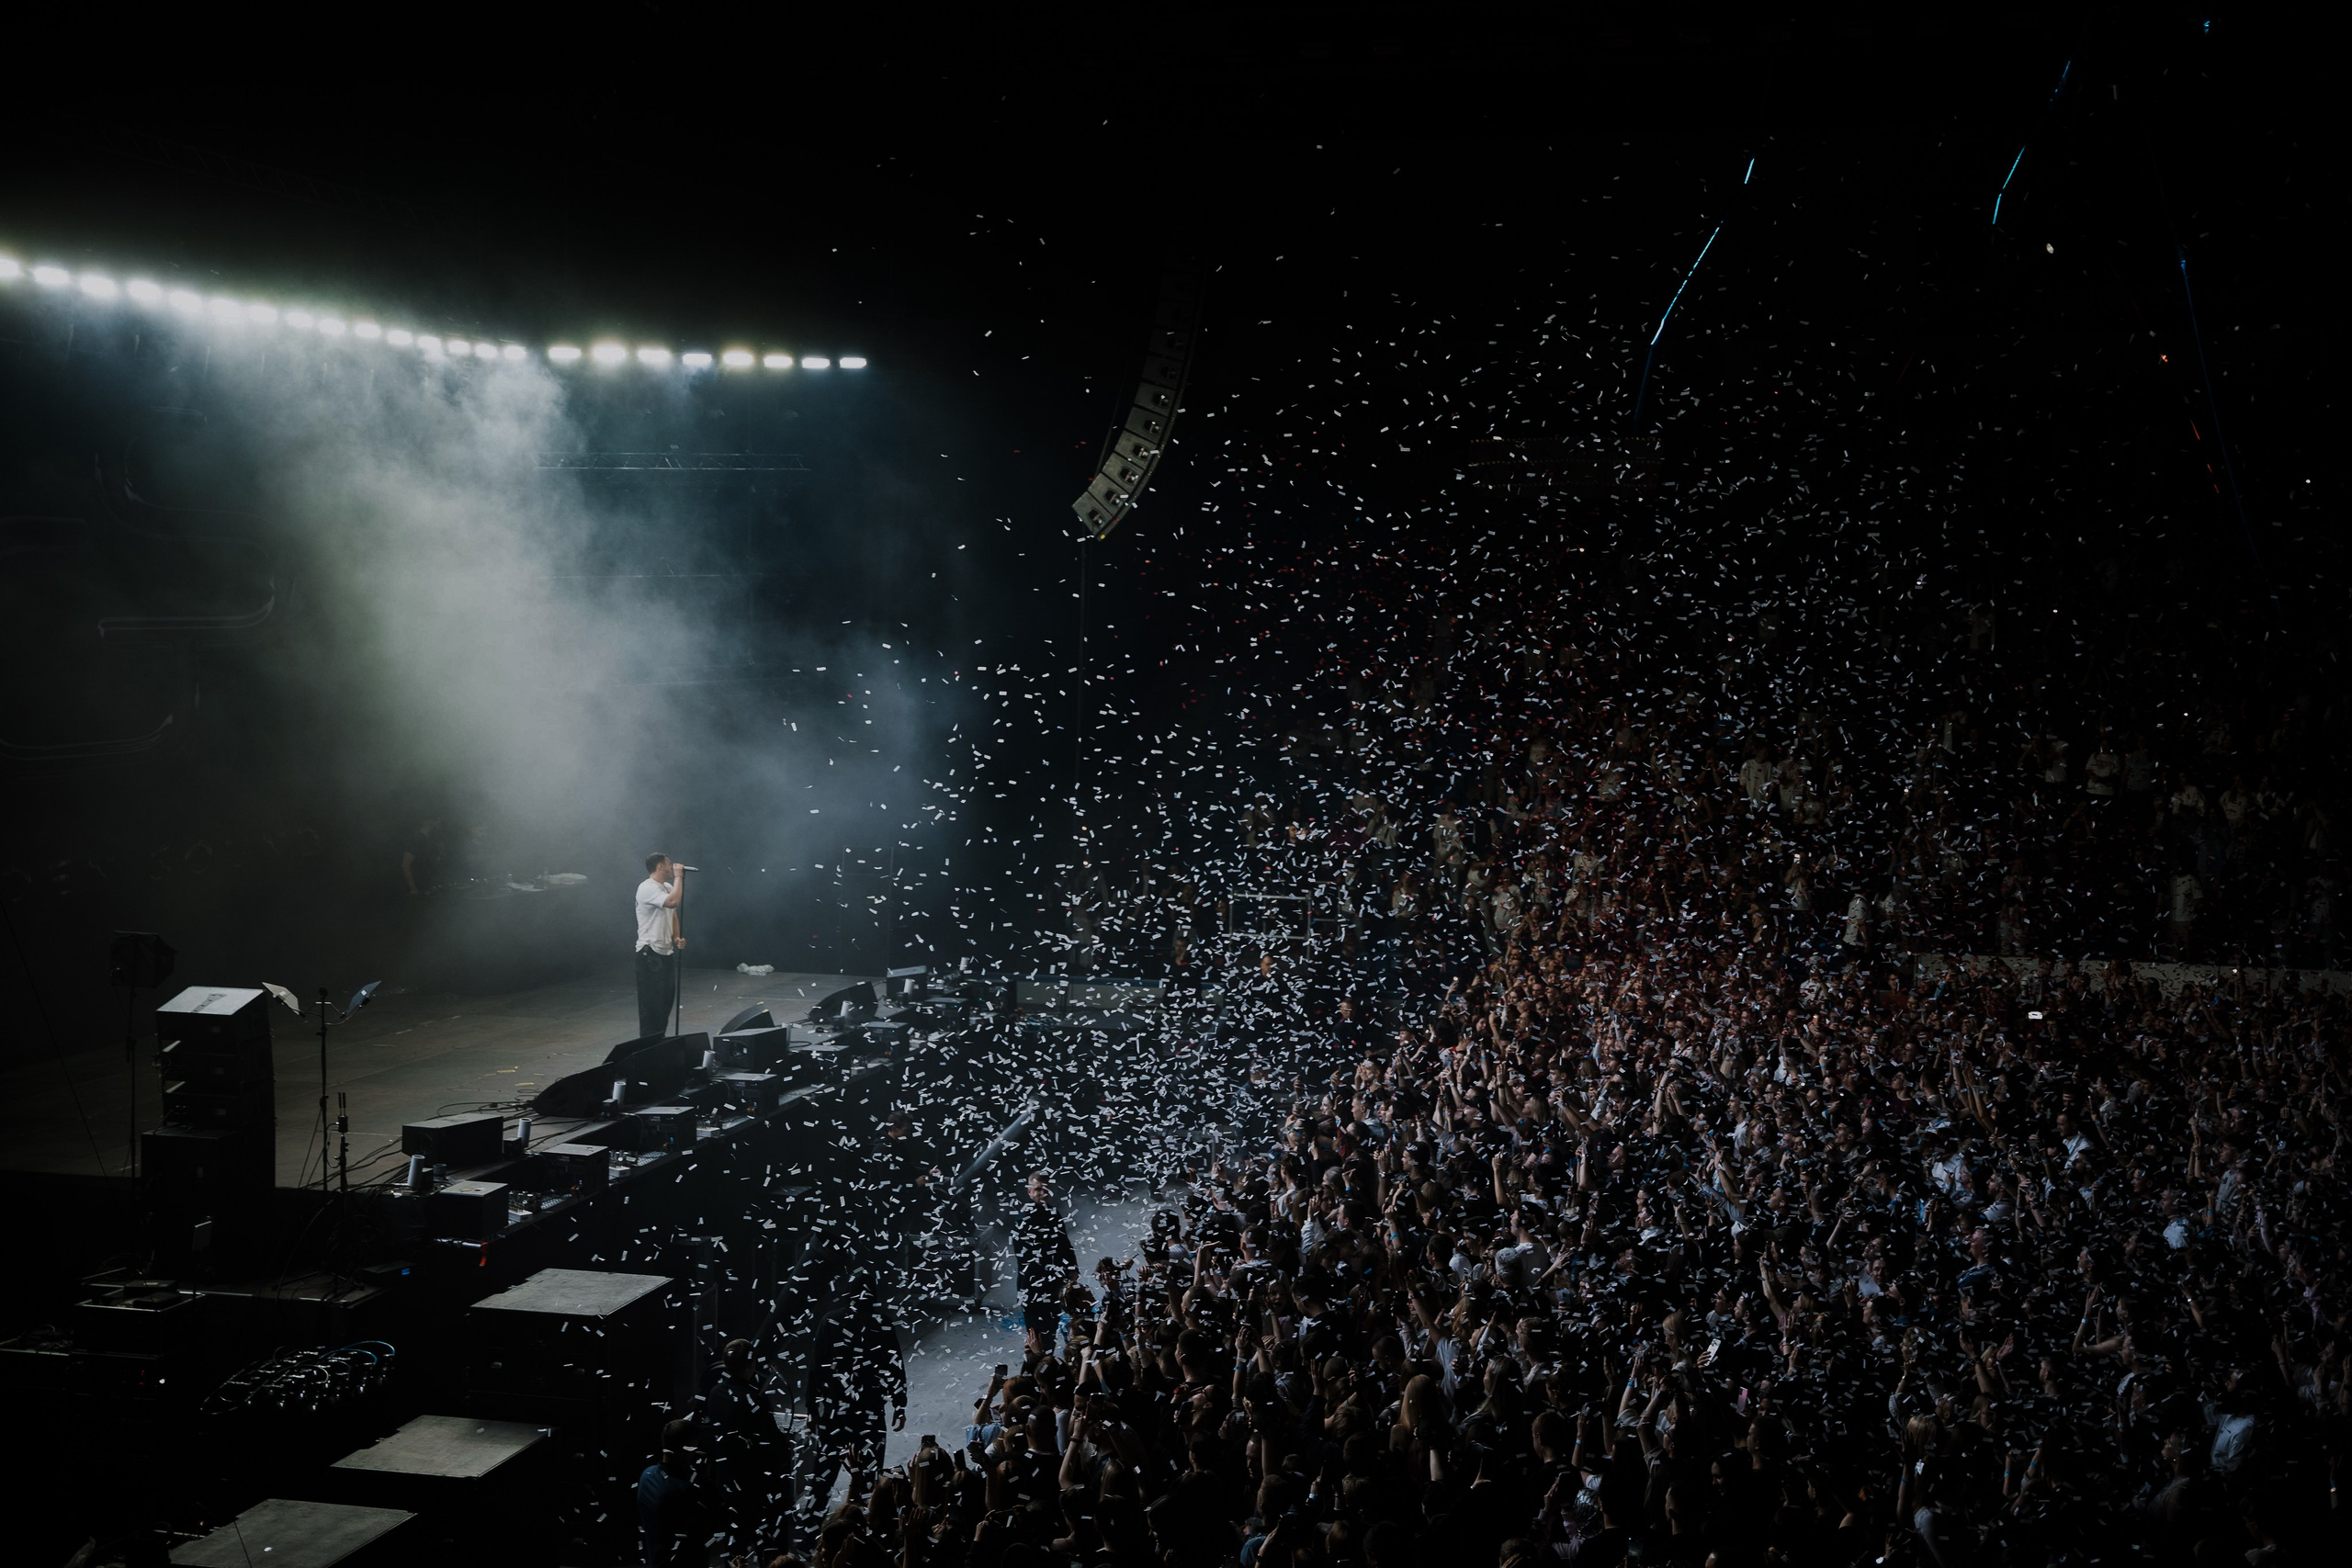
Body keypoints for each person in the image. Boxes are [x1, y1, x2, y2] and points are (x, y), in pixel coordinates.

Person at [804, 1280, 906, 1519]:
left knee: (823, 1477)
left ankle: (810, 1535)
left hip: (835, 1412)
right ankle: (868, 1526)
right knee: (870, 1477)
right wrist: (899, 1405)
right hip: (869, 1412)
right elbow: (895, 1368)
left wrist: (812, 1407)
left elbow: (816, 1367)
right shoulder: (882, 1323)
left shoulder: (830, 1320)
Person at [697, 1337, 788, 1561]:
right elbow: (772, 1441)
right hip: (754, 1485)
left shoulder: (716, 1392)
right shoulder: (756, 1400)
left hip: (727, 1480)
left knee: (735, 1538)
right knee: (766, 1542)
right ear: (751, 1363)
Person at [1011, 1170, 1078, 1352]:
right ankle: (1036, 1370)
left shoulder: (1053, 1212)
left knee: (1051, 1330)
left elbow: (1064, 1243)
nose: (1043, 1193)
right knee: (1037, 1338)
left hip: (1052, 1284)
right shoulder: (1023, 1220)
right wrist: (1058, 1273)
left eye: (1046, 1188)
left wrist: (1072, 1268)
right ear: (1029, 1191)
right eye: (1039, 1189)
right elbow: (1029, 1259)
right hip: (1033, 1287)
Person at [636, 1417, 705, 1568]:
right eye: (693, 1449)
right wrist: (704, 1477)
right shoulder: (685, 1491)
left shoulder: (646, 1476)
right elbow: (710, 1525)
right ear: (684, 1450)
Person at [635, 852, 684, 1040]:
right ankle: (648, 1044)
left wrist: (676, 937)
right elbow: (674, 901)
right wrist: (679, 877)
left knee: (666, 1001)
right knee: (652, 1005)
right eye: (669, 864)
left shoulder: (667, 887)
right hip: (649, 954)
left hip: (664, 951)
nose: (672, 867)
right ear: (660, 866)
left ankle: (659, 1041)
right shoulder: (646, 888)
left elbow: (672, 914)